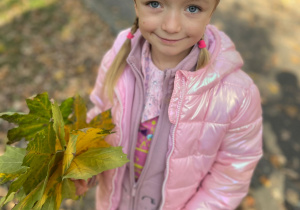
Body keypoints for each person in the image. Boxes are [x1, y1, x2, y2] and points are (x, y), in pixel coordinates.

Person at [75, 0, 263, 209]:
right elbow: (100, 116)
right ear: (136, 5)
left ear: (211, 13)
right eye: (155, 3)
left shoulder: (237, 95)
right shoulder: (119, 55)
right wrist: (85, 166)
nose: (171, 26)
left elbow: (231, 176)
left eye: (192, 8)